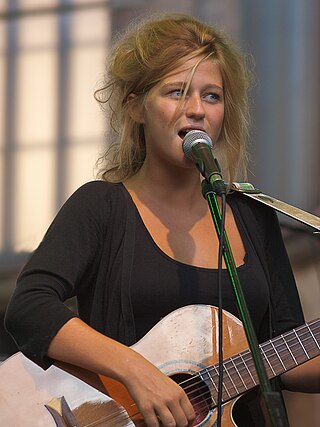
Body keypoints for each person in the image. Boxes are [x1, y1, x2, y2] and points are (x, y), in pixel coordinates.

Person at [4, 13, 319, 427]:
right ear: (136, 106)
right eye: (176, 92)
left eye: (212, 96)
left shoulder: (254, 218)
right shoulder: (102, 207)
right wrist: (136, 371)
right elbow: (29, 307)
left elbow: (287, 355)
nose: (196, 110)